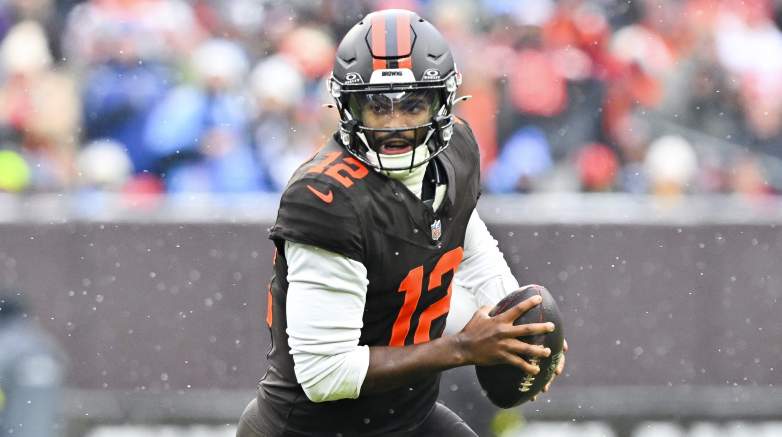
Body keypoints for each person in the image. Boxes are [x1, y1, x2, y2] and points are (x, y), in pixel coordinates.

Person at [237, 9, 567, 436]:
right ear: (348, 107)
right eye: (378, 106)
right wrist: (465, 347)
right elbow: (325, 374)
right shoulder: (325, 200)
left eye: (412, 104)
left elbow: (467, 241)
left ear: (443, 101)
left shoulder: (456, 151)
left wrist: (520, 332)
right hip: (312, 429)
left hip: (406, 417)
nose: (395, 125)